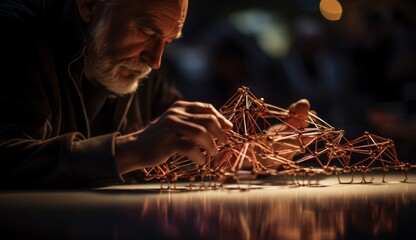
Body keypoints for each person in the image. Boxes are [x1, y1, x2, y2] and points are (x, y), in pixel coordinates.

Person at [0, 0, 310, 189]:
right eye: (147, 32)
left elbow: (182, 154)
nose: (156, 60)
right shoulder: (17, 35)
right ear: (90, 4)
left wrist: (252, 155)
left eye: (169, 40)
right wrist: (131, 148)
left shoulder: (146, 67)